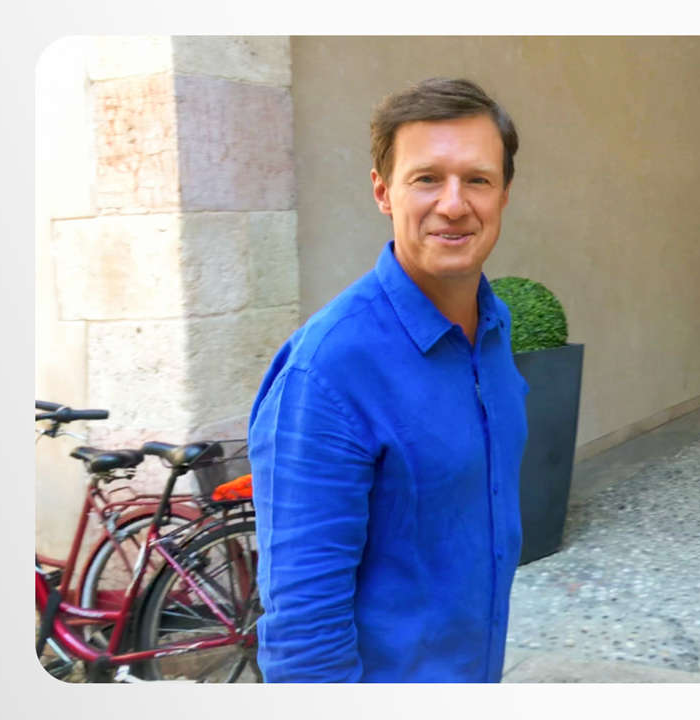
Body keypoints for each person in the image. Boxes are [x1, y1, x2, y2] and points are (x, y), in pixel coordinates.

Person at [247, 77, 529, 683]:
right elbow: (303, 641)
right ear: (383, 191)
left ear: (504, 193)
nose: (453, 204)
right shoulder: (327, 372)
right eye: (426, 178)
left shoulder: (495, 327)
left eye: (477, 179)